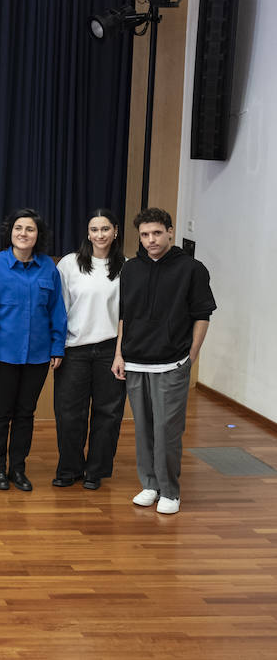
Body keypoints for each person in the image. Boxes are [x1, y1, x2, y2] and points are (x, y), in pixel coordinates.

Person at [112, 208, 216, 515]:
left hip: (172, 363)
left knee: (167, 431)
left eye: (157, 233)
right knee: (143, 429)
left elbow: (202, 315)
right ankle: (150, 485)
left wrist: (190, 357)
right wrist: (119, 354)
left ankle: (170, 491)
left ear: (170, 231)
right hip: (135, 362)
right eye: (145, 235)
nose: (151, 240)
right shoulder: (130, 269)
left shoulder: (192, 269)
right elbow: (124, 316)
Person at [0, 208, 67, 492]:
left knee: (26, 413)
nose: (23, 234)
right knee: (1, 412)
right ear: (10, 232)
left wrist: (57, 347)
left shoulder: (48, 267)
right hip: (2, 355)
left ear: (38, 235)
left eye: (30, 229)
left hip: (38, 355)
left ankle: (17, 468)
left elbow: (57, 310)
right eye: (18, 228)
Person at [53, 209, 127, 490]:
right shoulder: (70, 264)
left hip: (110, 350)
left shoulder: (126, 266)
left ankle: (96, 471)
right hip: (74, 349)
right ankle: (69, 468)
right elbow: (59, 309)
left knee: (108, 415)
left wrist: (120, 353)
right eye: (94, 229)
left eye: (105, 229)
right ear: (87, 232)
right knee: (69, 414)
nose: (100, 235)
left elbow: (127, 315)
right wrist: (57, 347)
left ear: (115, 231)